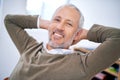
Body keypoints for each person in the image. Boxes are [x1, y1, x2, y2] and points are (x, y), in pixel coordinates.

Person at [4, 4, 120, 80]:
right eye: (57, 19)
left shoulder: (83, 65)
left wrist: (84, 33)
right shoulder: (29, 47)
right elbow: (9, 20)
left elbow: (117, 37)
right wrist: (48, 24)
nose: (60, 26)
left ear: (77, 33)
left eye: (69, 24)